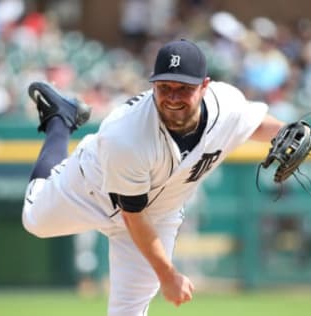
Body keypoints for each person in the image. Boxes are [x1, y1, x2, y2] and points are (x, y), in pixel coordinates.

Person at [22, 39, 285, 315]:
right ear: (153, 85)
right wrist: (168, 274)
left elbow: (255, 122)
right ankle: (60, 120)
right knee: (34, 219)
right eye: (165, 87)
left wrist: (286, 131)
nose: (173, 97)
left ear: (205, 86)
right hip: (92, 189)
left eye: (184, 88)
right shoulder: (126, 135)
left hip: (158, 214)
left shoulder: (226, 105)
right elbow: (132, 215)